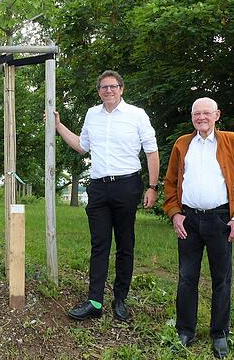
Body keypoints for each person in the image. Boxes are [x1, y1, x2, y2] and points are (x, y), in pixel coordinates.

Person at [53, 70, 159, 322]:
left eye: (113, 86)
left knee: (125, 245)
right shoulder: (92, 114)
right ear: (99, 91)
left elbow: (151, 152)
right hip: (99, 187)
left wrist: (152, 186)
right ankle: (95, 302)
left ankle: (120, 300)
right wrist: (58, 126)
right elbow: (82, 145)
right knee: (99, 245)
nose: (108, 90)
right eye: (103, 87)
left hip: (127, 186)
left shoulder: (137, 115)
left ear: (121, 89)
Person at [163, 97, 234, 358]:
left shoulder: (233, 141)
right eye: (196, 114)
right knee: (186, 277)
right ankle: (185, 330)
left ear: (217, 115)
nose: (201, 118)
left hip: (220, 220)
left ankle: (220, 334)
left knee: (222, 280)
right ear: (192, 117)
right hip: (188, 220)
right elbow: (170, 184)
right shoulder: (183, 144)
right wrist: (175, 213)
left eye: (206, 113)